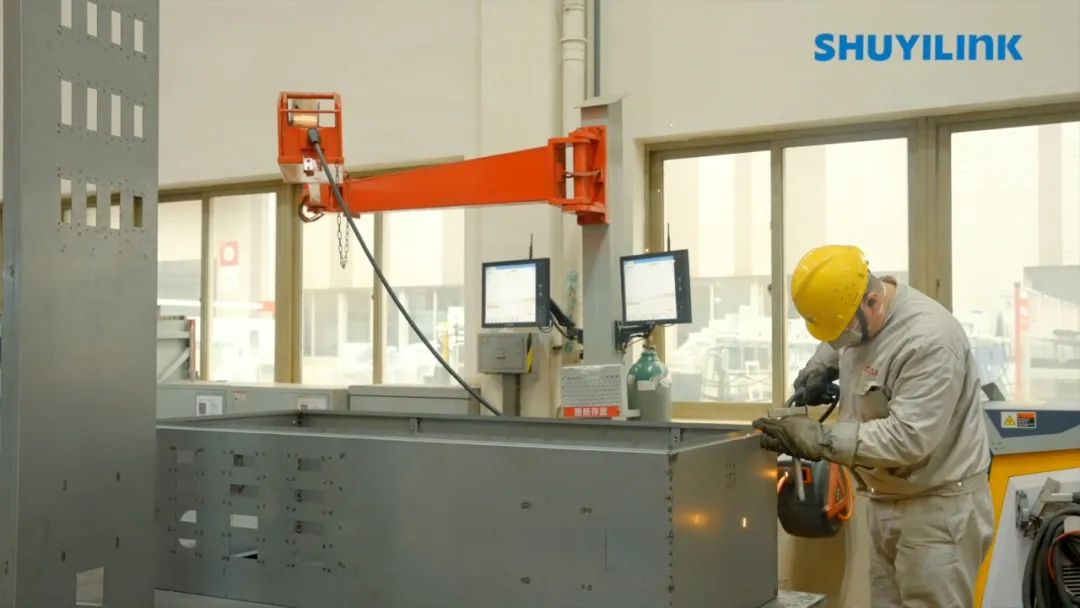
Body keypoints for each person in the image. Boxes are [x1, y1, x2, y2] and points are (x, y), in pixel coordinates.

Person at [753, 245, 994, 608]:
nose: (838, 340)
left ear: (872, 301)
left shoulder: (929, 341)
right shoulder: (859, 315)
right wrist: (820, 366)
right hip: (887, 499)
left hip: (937, 510)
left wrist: (821, 439)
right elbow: (841, 340)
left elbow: (908, 438)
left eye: (840, 331)